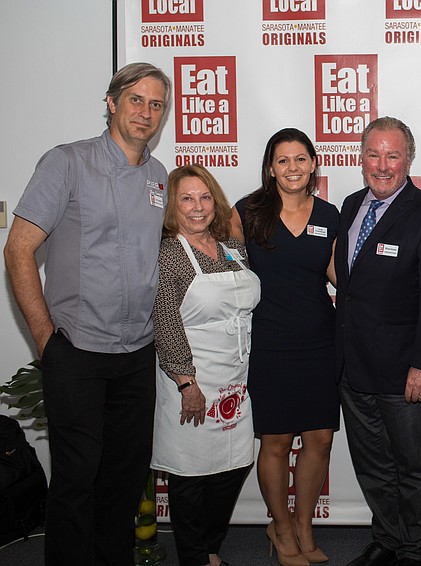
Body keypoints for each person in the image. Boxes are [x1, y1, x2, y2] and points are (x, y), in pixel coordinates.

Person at [3, 62, 171, 566]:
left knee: (123, 479)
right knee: (76, 482)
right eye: (136, 99)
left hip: (138, 354)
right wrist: (45, 341)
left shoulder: (159, 177)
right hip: (76, 352)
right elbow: (18, 249)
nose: (146, 112)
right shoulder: (66, 163)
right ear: (112, 102)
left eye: (157, 104)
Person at [334, 117, 421, 566]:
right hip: (352, 369)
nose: (382, 166)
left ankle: (414, 549)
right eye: (373, 154)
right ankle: (387, 538)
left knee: (412, 468)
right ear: (360, 157)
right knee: (372, 467)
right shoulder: (350, 206)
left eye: (392, 155)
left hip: (406, 373)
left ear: (408, 160)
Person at [230, 128, 339, 566]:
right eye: (282, 160)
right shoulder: (247, 213)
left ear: (313, 163)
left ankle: (304, 524)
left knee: (320, 438)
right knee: (274, 443)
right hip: (268, 343)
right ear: (270, 167)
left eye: (300, 159)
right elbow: (229, 277)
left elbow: (338, 275)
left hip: (320, 340)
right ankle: (280, 526)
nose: (292, 168)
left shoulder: (331, 215)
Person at [151, 164, 260, 566]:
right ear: (172, 207)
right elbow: (165, 319)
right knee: (190, 476)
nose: (197, 207)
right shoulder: (169, 254)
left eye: (204, 197)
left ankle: (211, 548)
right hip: (191, 380)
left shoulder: (232, 248)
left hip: (234, 380)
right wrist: (186, 383)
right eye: (186, 198)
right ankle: (196, 557)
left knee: (233, 465)